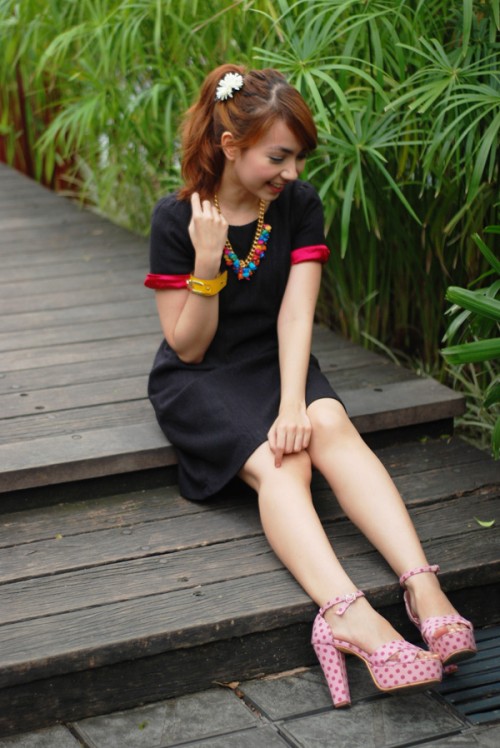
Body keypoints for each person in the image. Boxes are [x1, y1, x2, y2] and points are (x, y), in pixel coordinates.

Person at [144, 64, 476, 707]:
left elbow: (297, 315)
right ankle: (347, 615)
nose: (292, 172)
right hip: (200, 378)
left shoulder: (297, 205)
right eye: (279, 157)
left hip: (277, 360)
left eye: (298, 157)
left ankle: (422, 586)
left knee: (328, 423)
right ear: (230, 144)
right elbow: (188, 345)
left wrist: (295, 402)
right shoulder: (176, 218)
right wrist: (207, 258)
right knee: (284, 463)